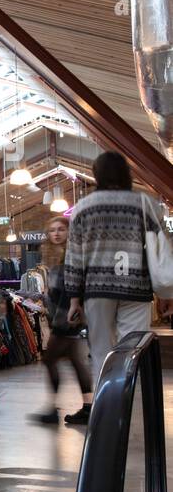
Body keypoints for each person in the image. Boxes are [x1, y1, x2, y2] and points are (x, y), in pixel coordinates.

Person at [64, 151, 167, 387]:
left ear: (96, 175)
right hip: (136, 289)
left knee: (101, 352)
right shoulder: (145, 204)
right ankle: (126, 402)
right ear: (126, 174)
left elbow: (74, 258)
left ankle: (106, 409)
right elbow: (161, 251)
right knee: (132, 351)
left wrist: (73, 300)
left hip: (97, 291)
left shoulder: (82, 208)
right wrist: (165, 293)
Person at [31, 215, 93, 425]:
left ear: (69, 232)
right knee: (76, 362)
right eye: (52, 230)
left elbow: (73, 289)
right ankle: (88, 407)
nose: (56, 233)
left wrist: (70, 316)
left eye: (61, 229)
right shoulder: (58, 258)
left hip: (67, 319)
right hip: (63, 317)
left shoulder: (72, 256)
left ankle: (53, 409)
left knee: (49, 360)